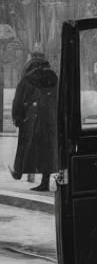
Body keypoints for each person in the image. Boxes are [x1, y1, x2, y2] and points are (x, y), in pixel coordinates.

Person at [11, 52, 58, 191]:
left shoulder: (27, 79)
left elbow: (18, 101)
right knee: (47, 150)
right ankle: (45, 182)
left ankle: (18, 172)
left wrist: (17, 118)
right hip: (51, 119)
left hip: (31, 119)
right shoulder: (54, 77)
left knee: (25, 146)